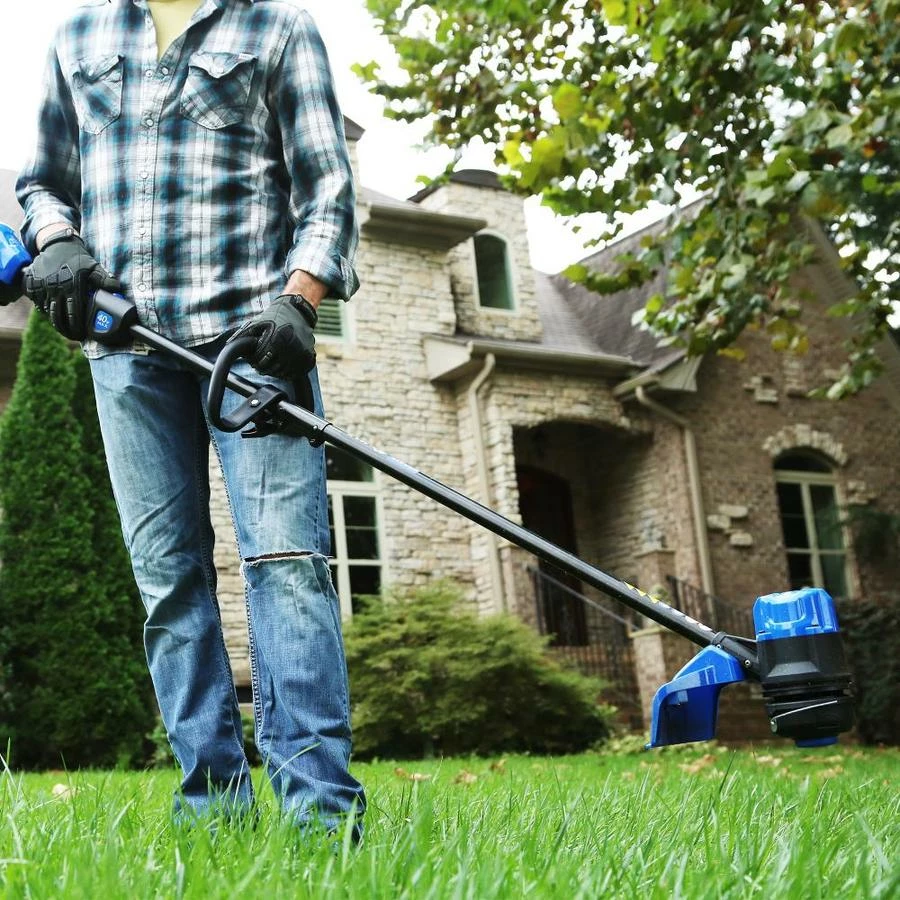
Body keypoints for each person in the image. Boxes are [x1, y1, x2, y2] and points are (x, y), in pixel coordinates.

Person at [16, 0, 365, 835]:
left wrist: (299, 300)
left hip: (254, 353)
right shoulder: (78, 37)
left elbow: (328, 189)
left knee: (287, 568)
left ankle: (320, 816)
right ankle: (214, 811)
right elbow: (40, 181)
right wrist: (56, 237)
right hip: (127, 354)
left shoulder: (278, 28)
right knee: (169, 583)